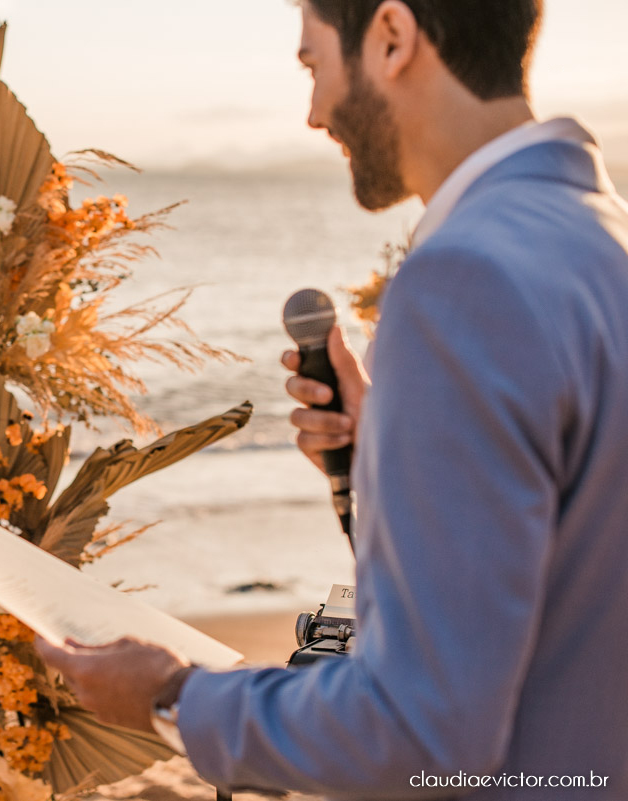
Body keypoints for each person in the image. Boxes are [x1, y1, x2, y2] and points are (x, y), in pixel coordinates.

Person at [37, 0, 628, 797]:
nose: (314, 114)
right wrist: (384, 453)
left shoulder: (462, 279)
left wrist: (171, 697)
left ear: (391, 37)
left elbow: (421, 728)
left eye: (313, 64)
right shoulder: (598, 236)